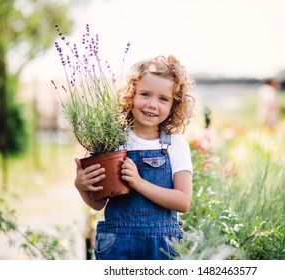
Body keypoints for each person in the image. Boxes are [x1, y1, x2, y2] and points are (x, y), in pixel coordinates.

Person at [73, 55, 195, 260]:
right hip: (118, 244)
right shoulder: (112, 144)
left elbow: (182, 201)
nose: (152, 104)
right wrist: (82, 186)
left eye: (163, 98)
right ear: (131, 95)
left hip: (162, 247)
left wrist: (138, 183)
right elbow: (98, 204)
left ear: (174, 106)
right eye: (145, 94)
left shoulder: (177, 147)